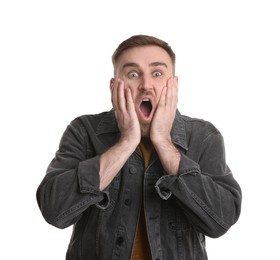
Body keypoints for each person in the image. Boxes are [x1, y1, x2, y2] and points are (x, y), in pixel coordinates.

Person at [36, 34, 242, 260]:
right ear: (114, 86)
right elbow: (55, 211)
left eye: (157, 73)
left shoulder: (204, 136)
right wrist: (126, 142)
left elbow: (221, 221)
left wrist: (164, 143)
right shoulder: (83, 131)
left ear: (173, 85)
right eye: (133, 74)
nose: (145, 85)